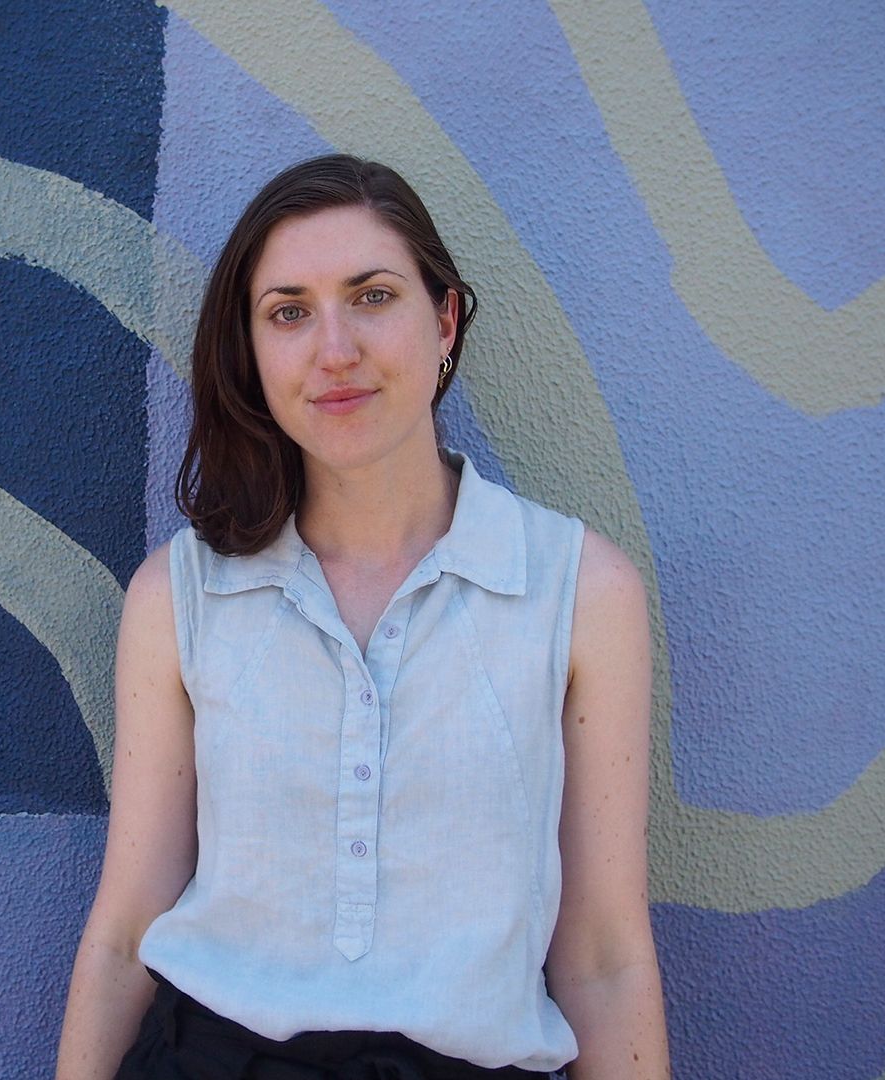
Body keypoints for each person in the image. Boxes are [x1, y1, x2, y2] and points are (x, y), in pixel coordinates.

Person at [56, 155, 670, 1079]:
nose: (333, 350)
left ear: (446, 318)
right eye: (289, 312)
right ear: (254, 352)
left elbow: (606, 956)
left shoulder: (579, 591)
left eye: (373, 297)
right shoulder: (180, 595)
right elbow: (125, 931)